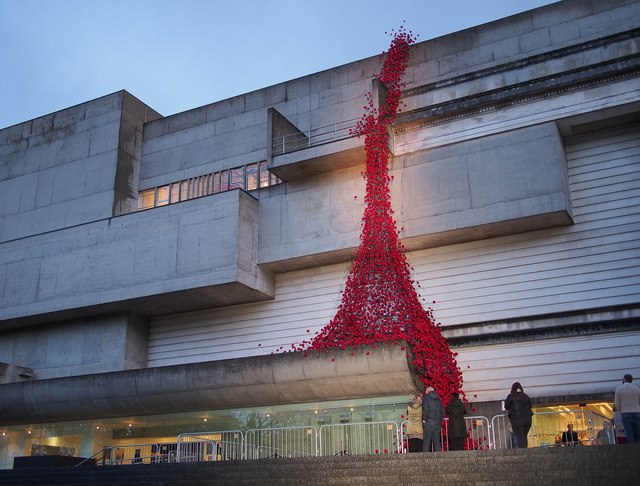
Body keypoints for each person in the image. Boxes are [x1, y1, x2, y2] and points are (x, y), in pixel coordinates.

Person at [504, 382, 533, 448]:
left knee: (520, 437)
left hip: (516, 419)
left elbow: (506, 406)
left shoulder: (511, 396)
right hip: (527, 419)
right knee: (523, 436)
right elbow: (530, 406)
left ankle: (523, 453)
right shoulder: (526, 396)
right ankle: (525, 450)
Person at [614, 374, 640, 443]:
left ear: (624, 379)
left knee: (629, 433)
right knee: (637, 432)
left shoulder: (619, 389)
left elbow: (617, 403)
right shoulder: (637, 389)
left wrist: (621, 411)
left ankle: (631, 449)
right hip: (637, 412)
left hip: (625, 412)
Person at [422, 386, 445, 452]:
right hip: (437, 422)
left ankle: (424, 457)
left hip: (429, 421)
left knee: (426, 441)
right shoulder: (438, 399)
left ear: (427, 391)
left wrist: (424, 419)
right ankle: (439, 457)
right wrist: (440, 419)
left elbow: (425, 409)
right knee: (436, 441)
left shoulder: (426, 398)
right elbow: (442, 411)